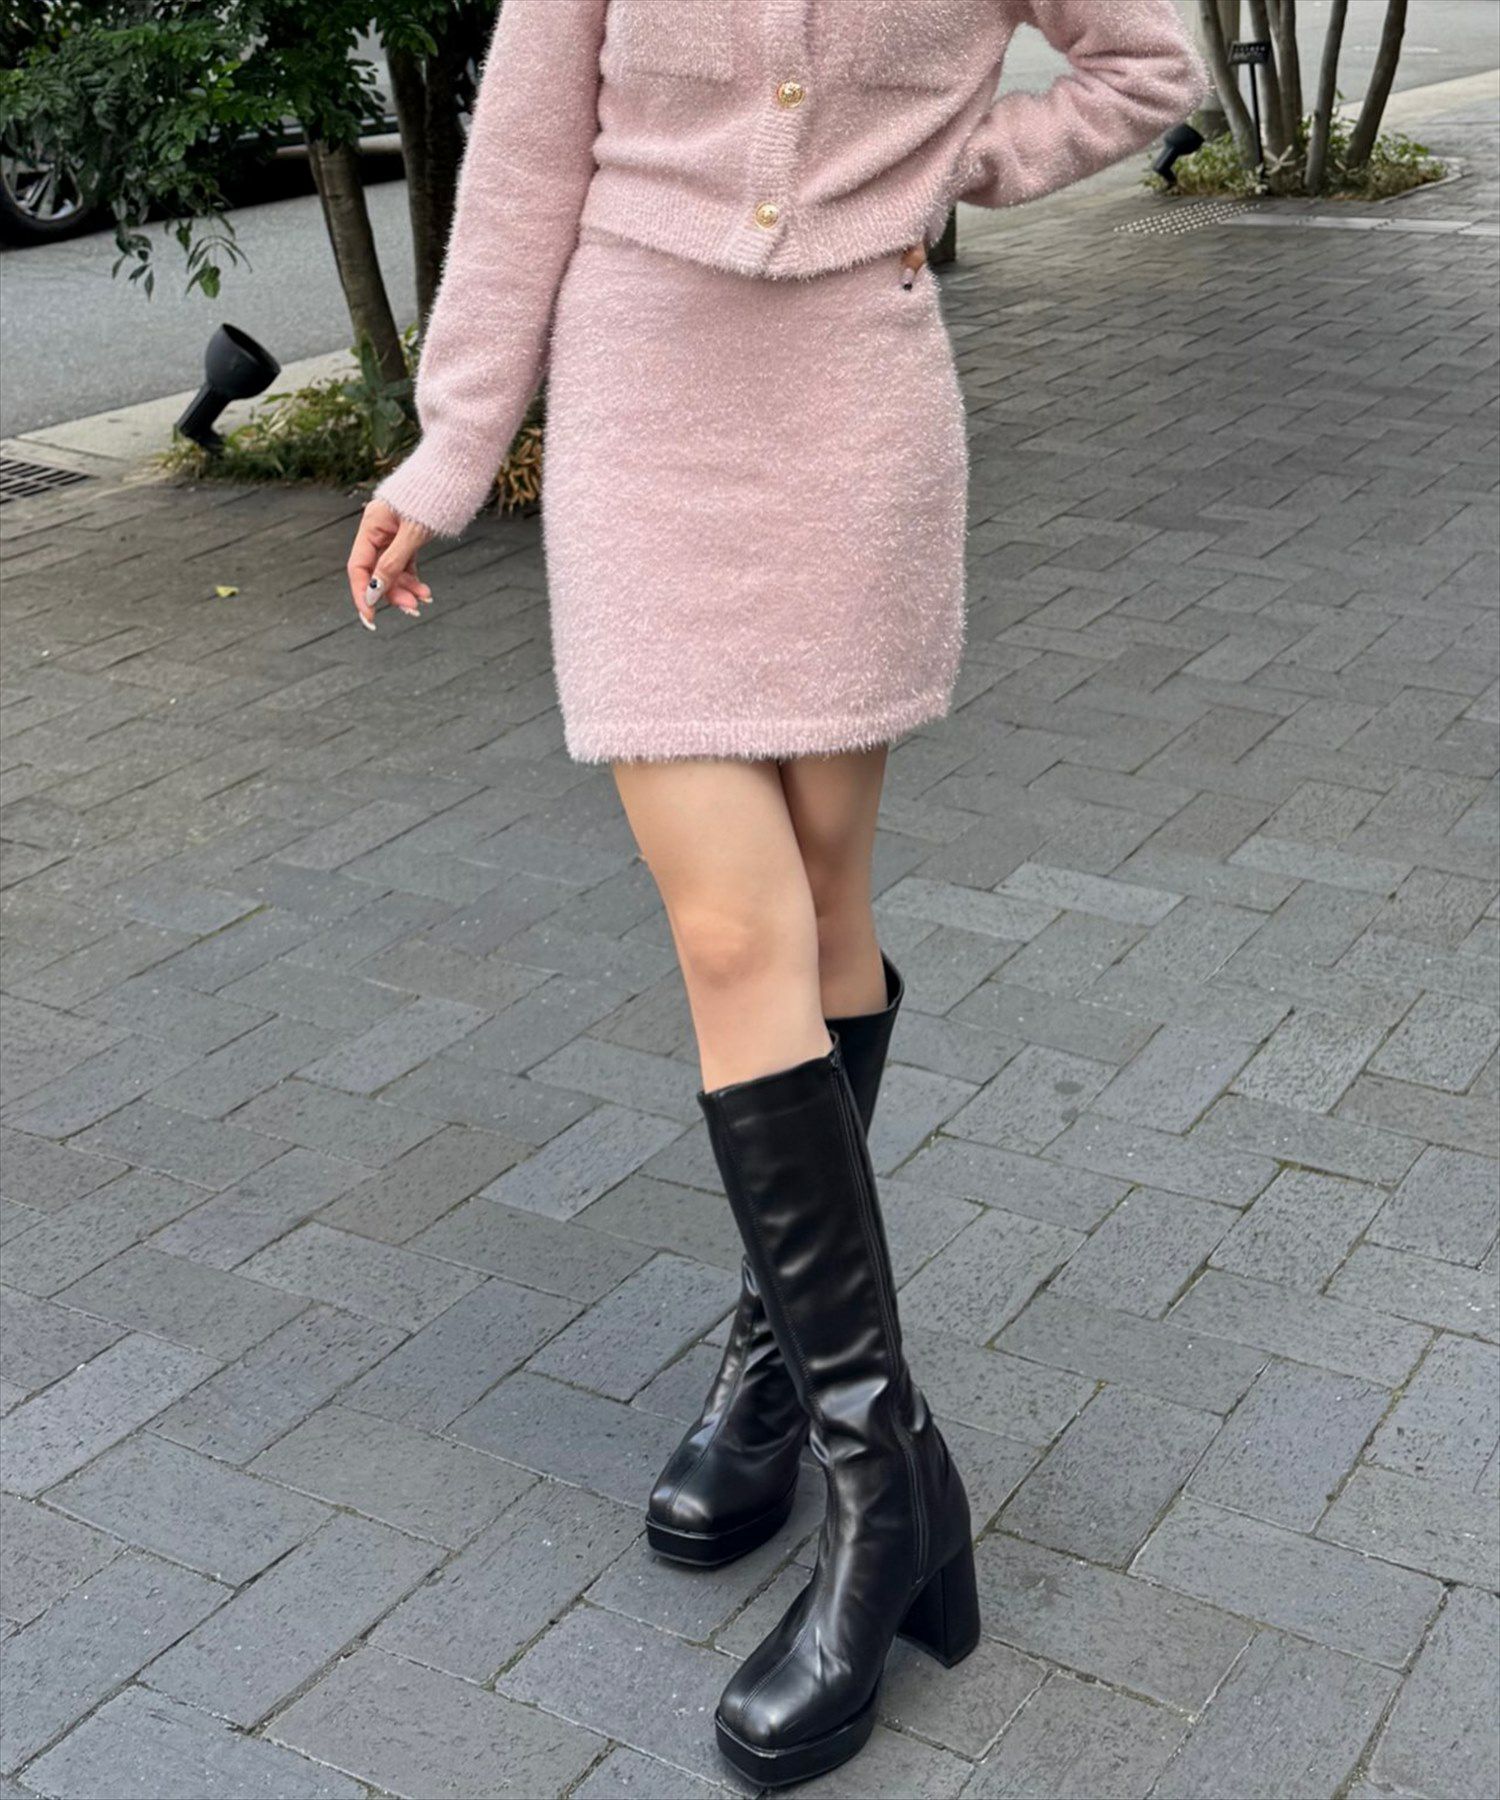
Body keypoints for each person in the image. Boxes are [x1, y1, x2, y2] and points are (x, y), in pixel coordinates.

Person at [345, 2, 1208, 1784]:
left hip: (855, 415)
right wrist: (452, 446)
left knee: (821, 897)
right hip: (645, 400)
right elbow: (523, 160)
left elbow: (1147, 68)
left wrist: (955, 163)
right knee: (731, 927)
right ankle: (888, 1486)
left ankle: (774, 1371)